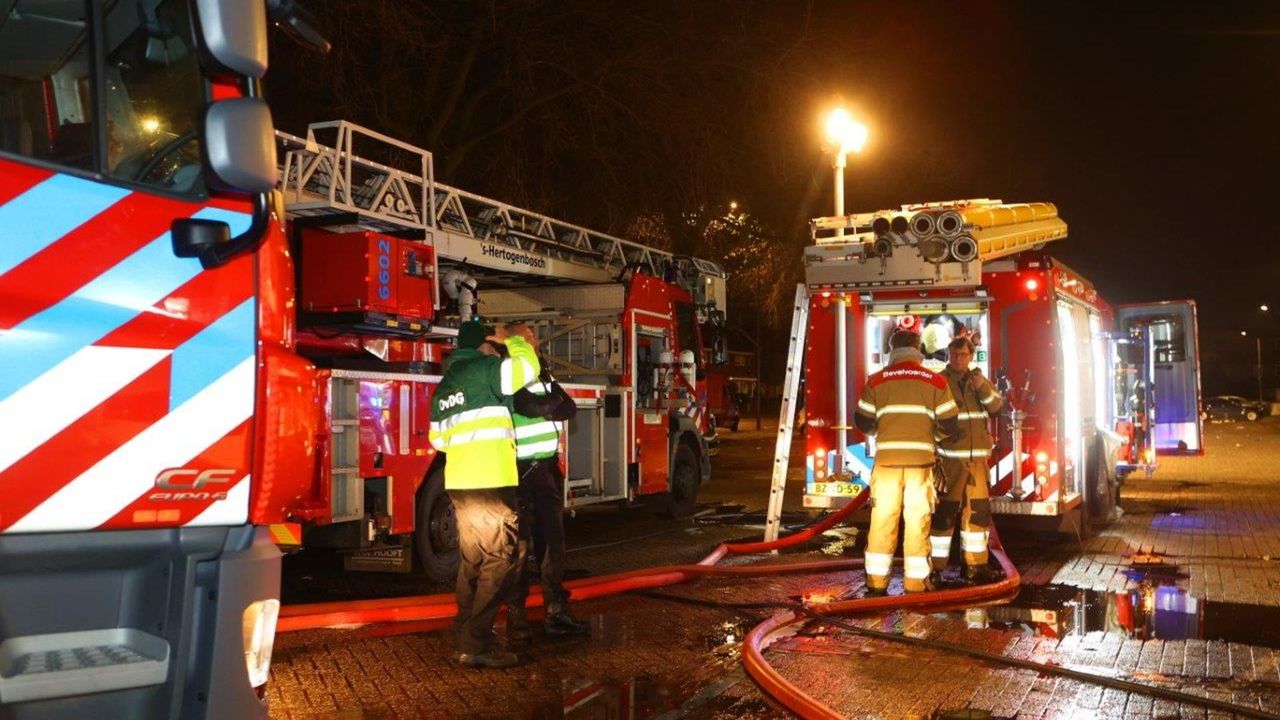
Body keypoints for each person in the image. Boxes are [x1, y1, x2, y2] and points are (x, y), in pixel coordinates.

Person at [428, 319, 540, 669]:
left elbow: (437, 440)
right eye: (495, 343)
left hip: (460, 486)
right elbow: (528, 369)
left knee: (472, 562)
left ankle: (464, 632)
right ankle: (475, 643)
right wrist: (514, 343)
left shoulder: (446, 385)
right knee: (499, 561)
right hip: (491, 482)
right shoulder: (486, 368)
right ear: (487, 343)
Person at [854, 330, 959, 595]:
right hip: (920, 466)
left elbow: (863, 421)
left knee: (882, 521)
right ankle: (916, 583)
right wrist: (931, 437)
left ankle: (876, 582)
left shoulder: (876, 381)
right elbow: (949, 422)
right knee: (917, 522)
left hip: (886, 465)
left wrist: (884, 430)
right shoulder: (935, 381)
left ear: (892, 349)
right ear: (917, 348)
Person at [504, 323, 590, 642]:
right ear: (515, 341)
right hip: (521, 472)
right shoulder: (510, 373)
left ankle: (556, 613)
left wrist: (547, 407)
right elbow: (527, 406)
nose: (536, 340)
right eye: (529, 336)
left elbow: (568, 407)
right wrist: (548, 406)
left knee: (553, 544)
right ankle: (517, 619)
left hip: (546, 471)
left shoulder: (543, 373)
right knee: (519, 547)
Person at [929, 337, 1004, 585]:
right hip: (950, 461)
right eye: (954, 354)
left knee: (978, 514)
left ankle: (975, 566)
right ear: (948, 355)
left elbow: (996, 408)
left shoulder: (979, 381)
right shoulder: (939, 381)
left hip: (977, 462)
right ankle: (934, 569)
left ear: (971, 356)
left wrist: (982, 387)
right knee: (944, 515)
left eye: (963, 355)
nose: (958, 359)